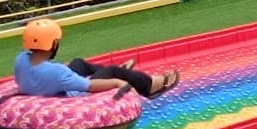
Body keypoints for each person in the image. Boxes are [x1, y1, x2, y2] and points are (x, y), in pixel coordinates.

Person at [14, 18, 179, 99]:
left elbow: (46, 71)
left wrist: (67, 68)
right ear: (52, 45)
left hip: (52, 84)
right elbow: (89, 86)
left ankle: (121, 72)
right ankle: (149, 85)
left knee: (78, 63)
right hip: (71, 95)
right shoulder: (56, 72)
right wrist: (117, 82)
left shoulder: (21, 59)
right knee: (112, 72)